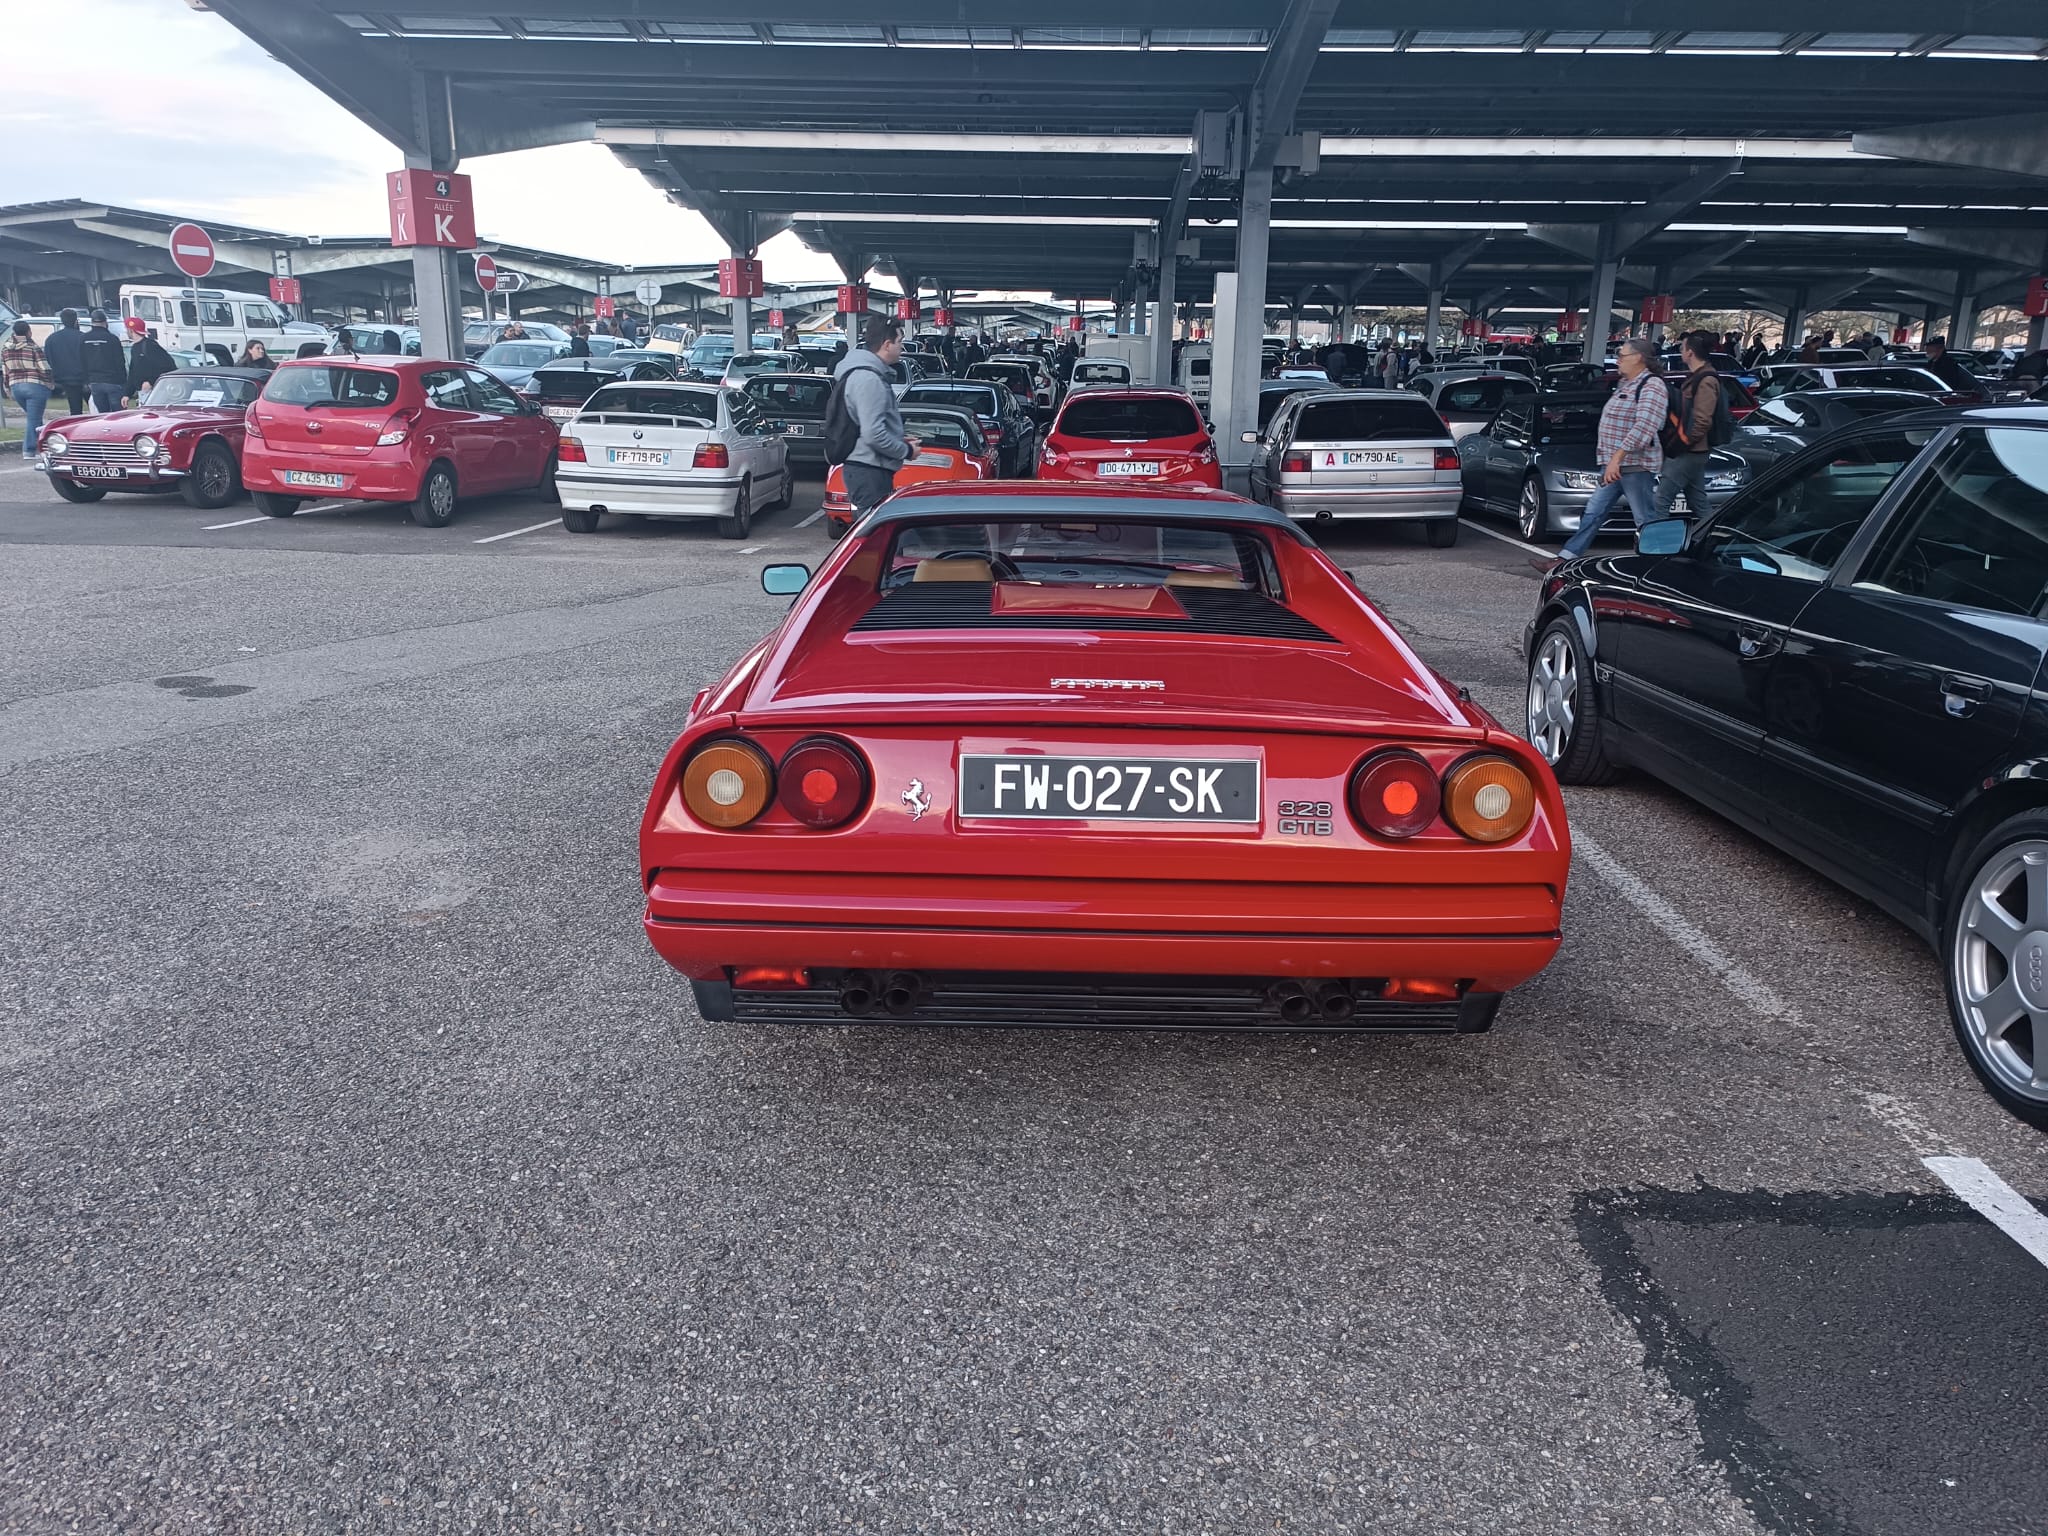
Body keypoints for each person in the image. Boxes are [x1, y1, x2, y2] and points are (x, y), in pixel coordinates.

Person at [1551, 337, 1667, 563]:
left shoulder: (1652, 386)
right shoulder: (1627, 383)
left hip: (1635, 466)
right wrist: (1612, 460)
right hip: (1615, 465)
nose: (1617, 360)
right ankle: (1566, 557)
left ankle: (1659, 562)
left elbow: (1645, 426)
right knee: (1593, 512)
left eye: (1622, 355)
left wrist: (1617, 457)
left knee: (1645, 519)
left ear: (1639, 358)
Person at [831, 315, 915, 521]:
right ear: (887, 345)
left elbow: (869, 427)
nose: (902, 348)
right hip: (869, 472)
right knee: (874, 545)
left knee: (877, 540)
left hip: (867, 470)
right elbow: (873, 434)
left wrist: (898, 440)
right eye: (899, 342)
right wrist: (907, 450)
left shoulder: (865, 375)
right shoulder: (869, 379)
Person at [1656, 331, 1727, 523]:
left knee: (1660, 502)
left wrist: (1683, 442)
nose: (1680, 351)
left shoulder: (1705, 380)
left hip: (1689, 451)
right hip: (1694, 451)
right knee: (1699, 503)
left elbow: (1702, 421)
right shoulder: (1700, 377)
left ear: (1690, 352)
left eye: (1682, 347)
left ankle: (1657, 547)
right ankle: (1717, 538)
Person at [3, 320, 55, 460]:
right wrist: (50, 382)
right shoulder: (32, 347)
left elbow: (5, 370)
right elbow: (44, 367)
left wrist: (7, 387)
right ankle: (29, 450)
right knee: (33, 419)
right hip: (34, 385)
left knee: (34, 418)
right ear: (28, 331)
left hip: (16, 386)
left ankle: (45, 446)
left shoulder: (5, 348)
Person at [80, 310, 127, 413]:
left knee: (103, 415)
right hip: (113, 381)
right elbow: (120, 362)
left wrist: (87, 380)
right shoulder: (112, 339)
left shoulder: (84, 339)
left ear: (91, 322)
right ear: (105, 322)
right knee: (119, 415)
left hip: (95, 382)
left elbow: (82, 361)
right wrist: (124, 382)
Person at [43, 309, 87, 416]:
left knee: (75, 410)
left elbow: (48, 358)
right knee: (97, 409)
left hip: (64, 378)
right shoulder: (83, 337)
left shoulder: (51, 339)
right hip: (84, 378)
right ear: (76, 320)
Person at [126, 322, 177, 399]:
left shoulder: (150, 345)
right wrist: (127, 394)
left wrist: (151, 382)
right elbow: (133, 371)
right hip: (142, 392)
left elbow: (168, 366)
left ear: (131, 330)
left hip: (155, 391)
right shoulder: (134, 348)